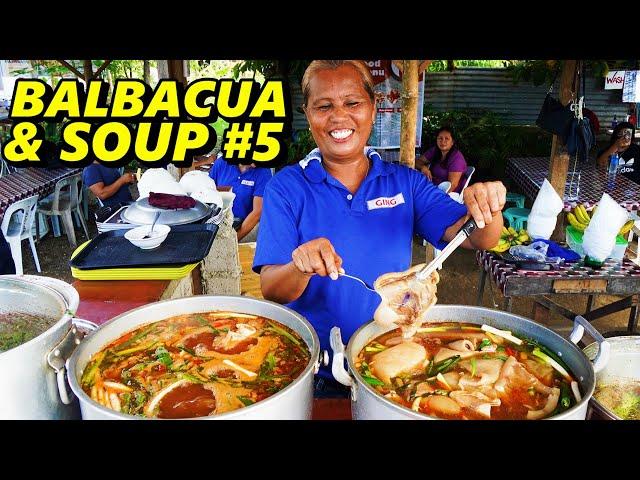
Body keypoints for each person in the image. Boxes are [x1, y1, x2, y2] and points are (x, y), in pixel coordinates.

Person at [252, 60, 505, 397]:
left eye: (353, 103)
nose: (339, 116)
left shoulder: (405, 182)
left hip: (391, 364)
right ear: (308, 114)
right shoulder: (286, 187)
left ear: (373, 109)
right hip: (312, 371)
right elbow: (272, 288)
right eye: (324, 106)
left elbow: (481, 237)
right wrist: (300, 265)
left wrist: (487, 204)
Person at [208, 154, 273, 242]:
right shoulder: (222, 163)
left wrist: (234, 239)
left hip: (246, 226)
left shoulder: (263, 171)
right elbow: (206, 192)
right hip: (219, 222)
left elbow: (258, 212)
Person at [415, 126, 468, 193]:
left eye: (447, 139)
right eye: (440, 138)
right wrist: (423, 167)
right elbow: (417, 161)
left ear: (452, 142)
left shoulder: (457, 158)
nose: (443, 141)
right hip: (432, 188)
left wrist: (431, 196)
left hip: (448, 195)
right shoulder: (435, 151)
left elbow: (451, 186)